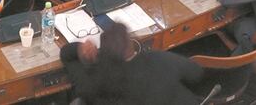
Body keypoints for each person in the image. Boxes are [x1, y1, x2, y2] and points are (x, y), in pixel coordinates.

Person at [60, 20, 203, 105]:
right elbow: (196, 73)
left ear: (103, 53)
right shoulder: (159, 59)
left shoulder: (95, 82)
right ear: (133, 45)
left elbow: (66, 55)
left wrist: (80, 49)